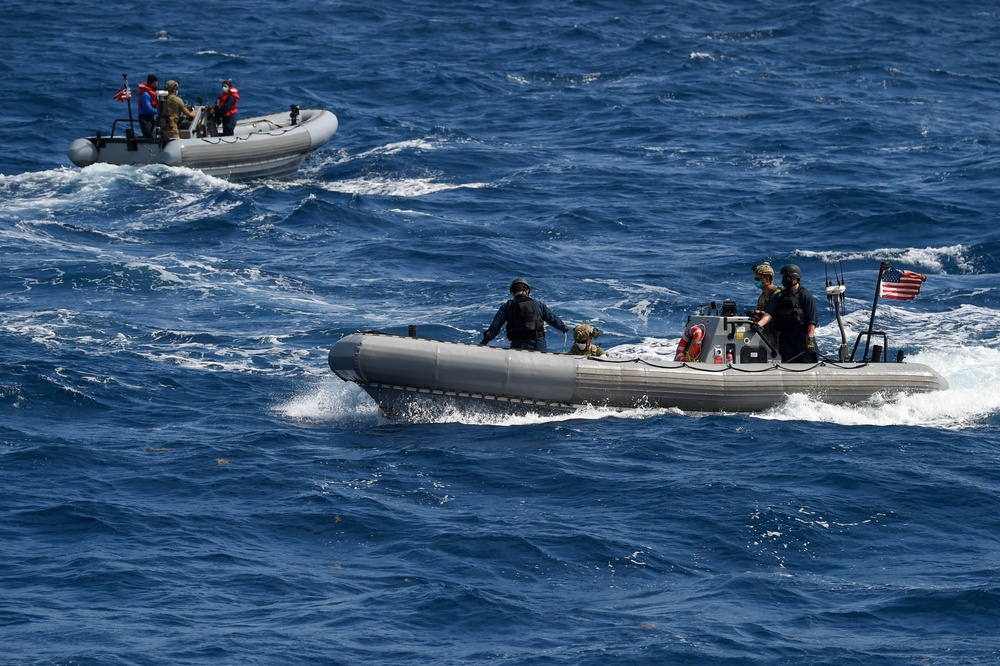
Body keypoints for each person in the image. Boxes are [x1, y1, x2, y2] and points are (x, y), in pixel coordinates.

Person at [479, 278, 569, 352]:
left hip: (519, 345)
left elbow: (495, 326)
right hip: (539, 344)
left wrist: (484, 342)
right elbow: (552, 318)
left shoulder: (507, 306)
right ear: (527, 291)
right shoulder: (538, 305)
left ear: (512, 293)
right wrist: (563, 327)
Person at [756, 264, 820, 363]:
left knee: (807, 365)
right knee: (788, 365)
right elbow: (769, 314)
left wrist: (810, 339)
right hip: (786, 338)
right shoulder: (780, 296)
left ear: (794, 278)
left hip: (802, 338)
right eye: (783, 277)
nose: (784, 280)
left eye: (786, 277)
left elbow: (812, 321)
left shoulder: (806, 296)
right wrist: (758, 325)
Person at [750, 262, 782, 353]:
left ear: (767, 279)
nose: (756, 281)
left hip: (777, 336)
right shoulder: (763, 296)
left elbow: (775, 314)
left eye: (758, 278)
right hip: (766, 332)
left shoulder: (777, 295)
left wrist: (759, 314)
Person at [136, 74, 159, 138]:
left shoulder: (151, 92)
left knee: (153, 134)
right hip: (144, 117)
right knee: (148, 135)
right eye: (154, 84)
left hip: (150, 117)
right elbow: (147, 107)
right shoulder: (145, 94)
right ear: (150, 83)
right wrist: (158, 111)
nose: (155, 86)